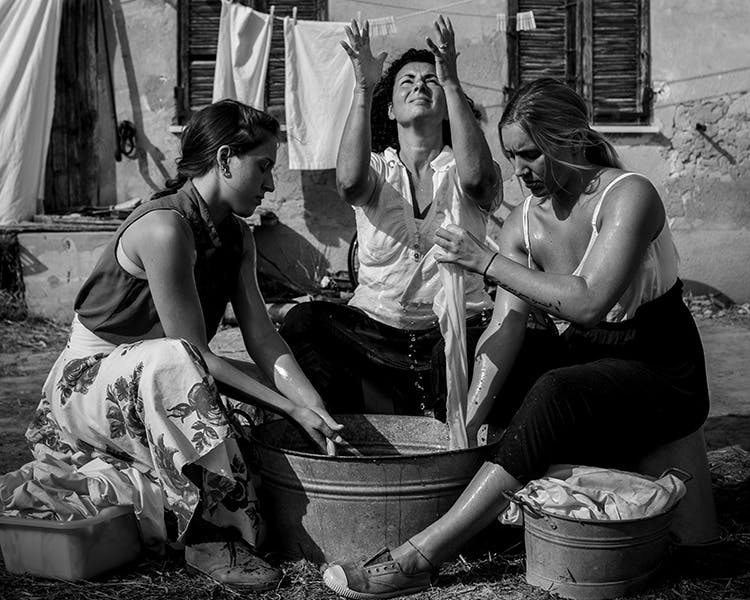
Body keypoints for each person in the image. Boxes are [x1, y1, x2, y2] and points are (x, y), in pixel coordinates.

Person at [322, 78, 710, 598]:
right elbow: (503, 336)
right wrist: (464, 424)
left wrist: (486, 261)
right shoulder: (524, 225)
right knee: (499, 361)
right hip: (592, 366)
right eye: (512, 156)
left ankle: (421, 555)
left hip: (661, 368)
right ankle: (482, 505)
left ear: (570, 139)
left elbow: (589, 302)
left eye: (531, 155)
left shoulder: (627, 195)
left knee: (556, 388)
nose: (519, 171)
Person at [17, 100, 343, 591]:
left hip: (155, 377)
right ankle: (209, 538)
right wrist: (287, 408)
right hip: (89, 380)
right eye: (265, 166)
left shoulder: (238, 236)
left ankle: (239, 508)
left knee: (285, 390)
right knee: (180, 363)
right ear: (226, 158)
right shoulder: (165, 228)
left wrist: (308, 404)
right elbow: (194, 354)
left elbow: (262, 336)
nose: (271, 184)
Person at [279, 16, 501, 417]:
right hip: (375, 331)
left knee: (516, 336)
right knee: (302, 321)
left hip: (456, 331)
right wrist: (363, 89)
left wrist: (451, 81)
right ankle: (344, 434)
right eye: (407, 81)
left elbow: (481, 181)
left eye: (429, 80)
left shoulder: (464, 166)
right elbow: (348, 183)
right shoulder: (378, 170)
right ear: (391, 110)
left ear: (449, 108)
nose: (419, 84)